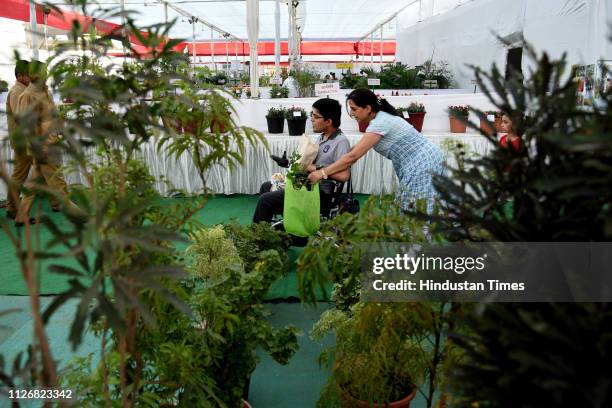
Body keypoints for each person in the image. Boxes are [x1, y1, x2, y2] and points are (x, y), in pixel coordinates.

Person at [308, 88, 444, 213]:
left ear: (367, 108)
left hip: (422, 163)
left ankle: (416, 238)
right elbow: (355, 150)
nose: (351, 113)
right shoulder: (380, 119)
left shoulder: (380, 123)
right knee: (413, 207)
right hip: (421, 161)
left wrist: (322, 172)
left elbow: (353, 156)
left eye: (354, 109)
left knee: (415, 210)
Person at [253, 98, 351, 223]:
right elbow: (309, 165)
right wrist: (289, 163)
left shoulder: (341, 142)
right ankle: (283, 225)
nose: (312, 119)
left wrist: (316, 168)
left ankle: (260, 237)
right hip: (307, 185)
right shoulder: (322, 137)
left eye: (315, 116)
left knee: (266, 200)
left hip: (319, 194)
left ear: (328, 121)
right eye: (312, 115)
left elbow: (344, 175)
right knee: (266, 186)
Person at [14, 61, 74, 227]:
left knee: (35, 181)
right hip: (43, 145)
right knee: (58, 179)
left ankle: (21, 216)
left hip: (51, 140)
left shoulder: (45, 91)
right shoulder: (27, 95)